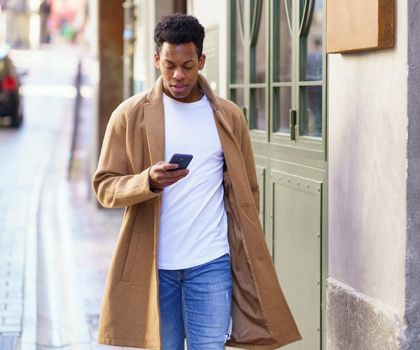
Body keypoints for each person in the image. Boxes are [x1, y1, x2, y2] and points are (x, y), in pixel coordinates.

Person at [93, 14, 300, 350]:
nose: (178, 75)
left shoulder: (228, 116)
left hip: (211, 264)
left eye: (188, 65)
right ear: (157, 60)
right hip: (156, 268)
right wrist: (147, 181)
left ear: (201, 61)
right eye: (170, 65)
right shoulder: (129, 115)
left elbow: (248, 188)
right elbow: (104, 186)